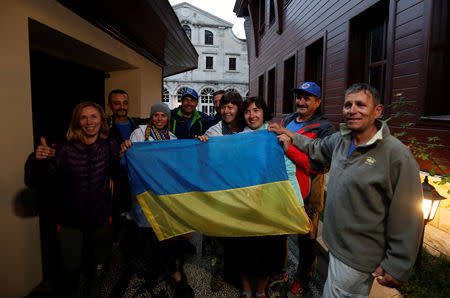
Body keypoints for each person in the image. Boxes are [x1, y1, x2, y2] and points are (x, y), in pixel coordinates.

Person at [269, 83, 424, 297]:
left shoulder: (396, 155)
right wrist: (286, 133)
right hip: (337, 244)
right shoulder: (342, 140)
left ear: (377, 111)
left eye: (360, 105)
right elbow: (314, 147)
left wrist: (398, 264)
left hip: (359, 254)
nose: (352, 110)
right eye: (347, 105)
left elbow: (408, 214)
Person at [27, 102, 124, 297]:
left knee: (98, 268)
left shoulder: (109, 145)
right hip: (70, 222)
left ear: (101, 121)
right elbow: (36, 180)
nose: (89, 122)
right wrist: (35, 159)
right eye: (84, 117)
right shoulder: (64, 149)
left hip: (101, 219)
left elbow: (121, 170)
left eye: (94, 116)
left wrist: (127, 152)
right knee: (70, 269)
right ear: (77, 122)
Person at [269, 82, 334, 296]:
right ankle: (281, 271)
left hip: (309, 195)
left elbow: (320, 165)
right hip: (284, 188)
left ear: (318, 102)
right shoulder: (288, 119)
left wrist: (289, 148)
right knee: (280, 233)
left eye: (307, 98)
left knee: (306, 240)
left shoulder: (325, 128)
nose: (301, 102)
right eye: (299, 97)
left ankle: (303, 279)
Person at [122, 102, 194, 297]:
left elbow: (177, 164)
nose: (159, 119)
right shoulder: (139, 133)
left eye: (163, 115)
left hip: (164, 193)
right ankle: (167, 273)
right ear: (151, 117)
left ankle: (170, 271)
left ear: (168, 118)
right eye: (156, 115)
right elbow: (132, 160)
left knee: (163, 234)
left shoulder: (172, 137)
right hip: (145, 191)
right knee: (150, 235)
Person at [237, 97, 300, 298]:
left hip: (271, 204)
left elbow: (289, 172)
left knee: (270, 249)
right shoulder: (236, 139)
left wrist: (295, 204)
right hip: (245, 204)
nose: (252, 115)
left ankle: (261, 289)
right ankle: (246, 289)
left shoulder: (276, 137)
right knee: (244, 247)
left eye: (256, 110)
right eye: (247, 111)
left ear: (264, 112)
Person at [197, 91, 243, 293]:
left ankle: (239, 273)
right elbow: (205, 160)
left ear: (238, 109)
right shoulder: (213, 131)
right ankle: (219, 271)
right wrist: (202, 145)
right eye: (223, 107)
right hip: (220, 191)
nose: (226, 110)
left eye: (231, 106)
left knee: (240, 233)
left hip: (243, 191)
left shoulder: (248, 130)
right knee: (219, 235)